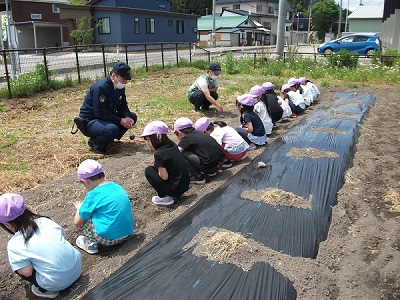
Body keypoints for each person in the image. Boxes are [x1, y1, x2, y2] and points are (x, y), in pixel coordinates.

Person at [0, 193, 81, 299]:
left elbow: (27, 272)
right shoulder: (45, 221)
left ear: (6, 223)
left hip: (57, 283)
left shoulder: (14, 244)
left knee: (19, 266)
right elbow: (62, 236)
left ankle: (46, 290)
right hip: (77, 268)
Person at [73, 159, 135, 254]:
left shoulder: (92, 195)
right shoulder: (117, 186)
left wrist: (79, 208)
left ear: (85, 181)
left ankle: (91, 245)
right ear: (104, 174)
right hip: (127, 232)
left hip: (108, 239)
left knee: (87, 215)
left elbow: (77, 222)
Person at [78, 62, 138, 154]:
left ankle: (109, 140)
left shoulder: (120, 87)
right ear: (114, 76)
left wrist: (126, 116)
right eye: (123, 79)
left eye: (126, 79)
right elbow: (100, 112)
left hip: (105, 117)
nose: (125, 82)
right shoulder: (101, 88)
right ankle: (96, 143)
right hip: (90, 121)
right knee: (112, 129)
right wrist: (119, 120)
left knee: (132, 116)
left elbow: (123, 105)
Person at [140, 121, 190, 206]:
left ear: (158, 136)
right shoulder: (172, 144)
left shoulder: (159, 153)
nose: (147, 143)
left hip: (175, 190)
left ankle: (164, 197)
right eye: (146, 139)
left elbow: (164, 176)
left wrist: (158, 166)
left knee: (149, 170)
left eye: (149, 139)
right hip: (185, 185)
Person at [174, 117, 225, 184]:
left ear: (179, 132)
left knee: (182, 154)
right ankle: (212, 172)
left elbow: (175, 154)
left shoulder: (186, 139)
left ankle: (198, 177)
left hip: (210, 167)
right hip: (220, 164)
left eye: (176, 134)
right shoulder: (199, 133)